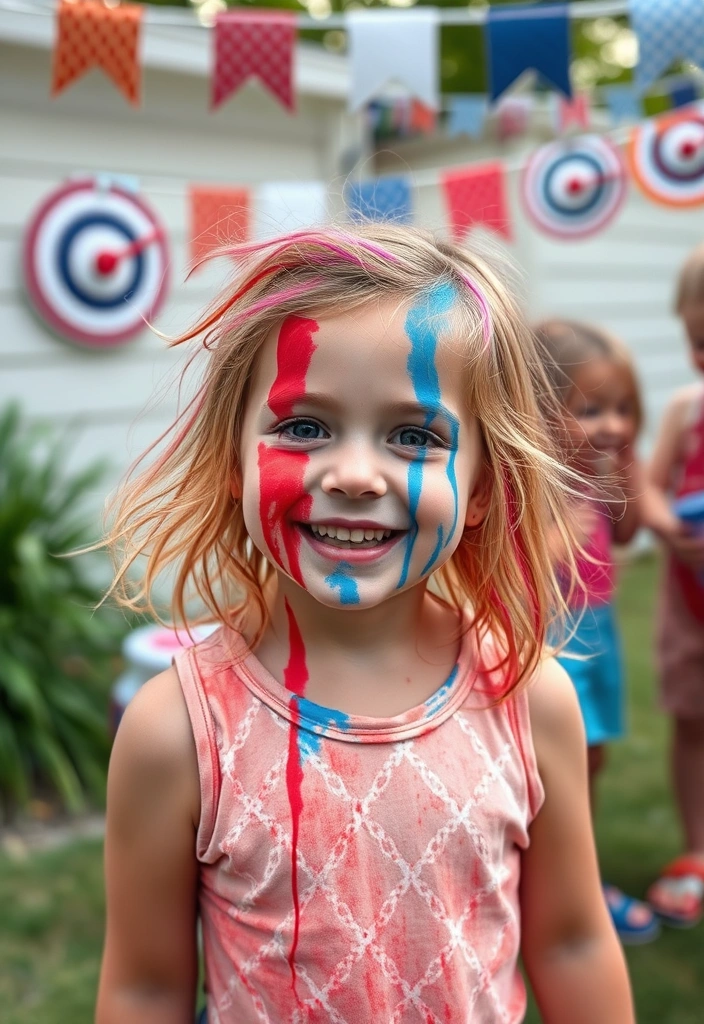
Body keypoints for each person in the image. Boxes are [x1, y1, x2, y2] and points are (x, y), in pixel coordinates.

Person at [95, 226, 633, 1024]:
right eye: (304, 426)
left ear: (483, 487)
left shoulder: (526, 698)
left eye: (414, 437)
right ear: (233, 457)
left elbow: (570, 943)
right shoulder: (176, 731)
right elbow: (145, 986)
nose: (352, 474)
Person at [534, 319, 659, 945]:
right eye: (591, 410)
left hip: (597, 627)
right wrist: (557, 537)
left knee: (595, 757)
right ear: (541, 408)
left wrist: (629, 469)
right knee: (562, 765)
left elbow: (633, 530)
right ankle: (573, 888)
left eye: (622, 410)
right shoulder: (529, 483)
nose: (611, 424)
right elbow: (509, 567)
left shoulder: (598, 473)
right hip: (552, 638)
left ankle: (574, 877)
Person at [642, 244, 704, 928]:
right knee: (693, 723)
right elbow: (652, 491)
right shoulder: (688, 410)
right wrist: (666, 527)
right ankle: (697, 849)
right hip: (690, 607)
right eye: (699, 341)